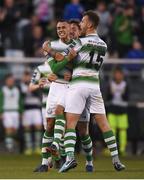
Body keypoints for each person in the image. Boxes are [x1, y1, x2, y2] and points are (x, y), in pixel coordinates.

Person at [45, 10, 125, 173]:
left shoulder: (79, 42)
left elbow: (60, 60)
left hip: (78, 85)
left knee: (71, 123)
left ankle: (69, 158)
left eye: (82, 21)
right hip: (95, 86)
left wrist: (50, 51)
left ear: (89, 24)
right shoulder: (104, 44)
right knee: (104, 124)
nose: (80, 24)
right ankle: (116, 160)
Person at [43, 19, 93, 172]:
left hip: (78, 87)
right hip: (59, 87)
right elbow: (55, 66)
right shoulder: (56, 45)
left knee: (83, 130)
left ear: (78, 30)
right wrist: (62, 62)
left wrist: (67, 69)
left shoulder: (80, 44)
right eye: (59, 28)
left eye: (72, 28)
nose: (65, 30)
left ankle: (89, 162)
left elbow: (74, 64)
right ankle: (57, 155)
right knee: (54, 121)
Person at [29, 61, 58, 172]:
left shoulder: (62, 64)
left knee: (61, 131)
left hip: (60, 101)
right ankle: (50, 161)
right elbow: (31, 87)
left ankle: (60, 158)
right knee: (48, 131)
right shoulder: (40, 69)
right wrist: (38, 85)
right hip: (46, 104)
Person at [107, 67, 129, 156]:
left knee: (123, 130)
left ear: (122, 75)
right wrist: (111, 94)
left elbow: (128, 98)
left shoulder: (125, 84)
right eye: (116, 74)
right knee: (112, 130)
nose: (118, 76)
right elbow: (108, 97)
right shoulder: (111, 84)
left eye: (120, 74)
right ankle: (112, 149)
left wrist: (124, 94)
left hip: (122, 109)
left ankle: (122, 149)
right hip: (113, 108)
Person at [20, 71, 43, 155]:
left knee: (38, 126)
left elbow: (37, 93)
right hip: (26, 109)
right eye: (25, 76)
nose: (26, 78)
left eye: (27, 76)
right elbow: (21, 95)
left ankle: (37, 147)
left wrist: (31, 87)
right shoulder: (20, 86)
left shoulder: (35, 85)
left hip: (36, 109)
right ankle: (29, 148)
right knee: (27, 128)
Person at [0, 74, 22, 152]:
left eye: (12, 81)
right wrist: (1, 112)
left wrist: (20, 112)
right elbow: (1, 101)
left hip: (15, 111)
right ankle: (9, 147)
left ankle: (12, 144)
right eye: (9, 81)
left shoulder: (16, 90)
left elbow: (20, 101)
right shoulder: (3, 90)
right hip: (7, 111)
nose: (10, 82)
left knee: (14, 130)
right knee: (8, 129)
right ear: (6, 81)